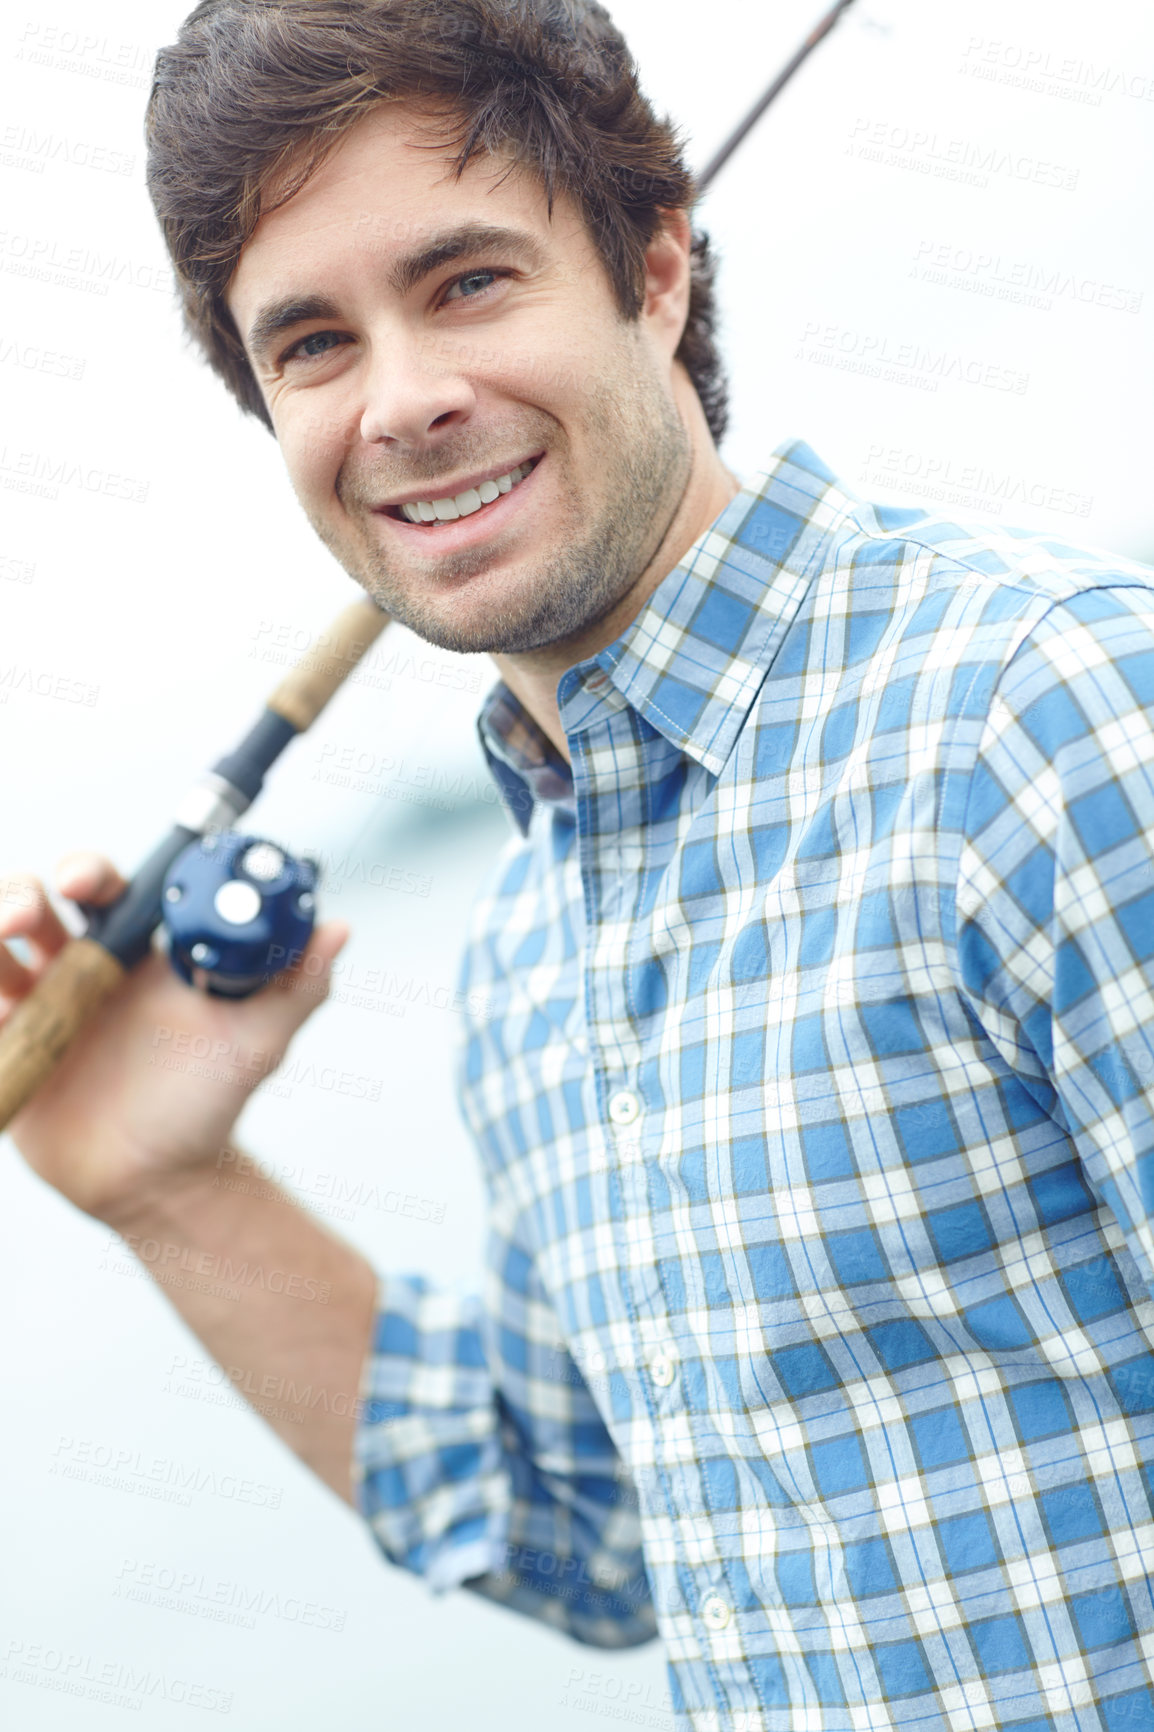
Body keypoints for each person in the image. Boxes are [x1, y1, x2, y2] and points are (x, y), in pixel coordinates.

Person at [4, 1, 1154, 1726]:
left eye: (467, 282)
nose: (402, 403)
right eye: (311, 344)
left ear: (659, 275)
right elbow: (594, 1539)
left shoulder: (1044, 716)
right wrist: (174, 1186)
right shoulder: (529, 948)